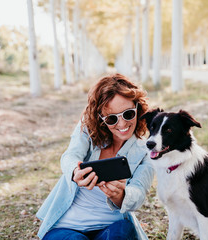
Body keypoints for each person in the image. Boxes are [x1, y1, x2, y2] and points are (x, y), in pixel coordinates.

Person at [36, 73, 154, 240]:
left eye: (128, 114)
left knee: (123, 230)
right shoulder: (88, 129)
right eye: (112, 118)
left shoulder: (146, 149)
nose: (122, 125)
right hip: (67, 226)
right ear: (101, 119)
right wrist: (75, 171)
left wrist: (120, 196)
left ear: (138, 108)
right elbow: (70, 155)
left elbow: (139, 192)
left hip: (112, 227)